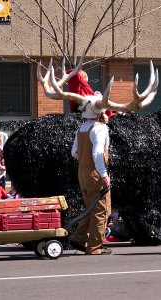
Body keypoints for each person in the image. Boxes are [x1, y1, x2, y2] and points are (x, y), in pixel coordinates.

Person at [69, 87, 112, 255]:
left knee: (90, 208)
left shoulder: (81, 129)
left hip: (82, 173)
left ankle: (79, 238)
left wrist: (84, 161)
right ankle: (94, 247)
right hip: (95, 173)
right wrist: (103, 175)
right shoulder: (100, 128)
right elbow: (98, 154)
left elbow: (74, 153)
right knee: (102, 210)